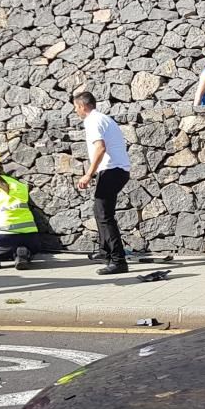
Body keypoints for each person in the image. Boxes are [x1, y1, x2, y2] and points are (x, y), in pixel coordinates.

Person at [73, 92, 132, 275]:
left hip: (111, 170)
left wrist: (88, 175)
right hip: (117, 170)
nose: (76, 111)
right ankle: (104, 251)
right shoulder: (103, 118)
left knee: (105, 215)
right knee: (100, 212)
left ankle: (118, 261)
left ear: (82, 106)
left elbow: (100, 148)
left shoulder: (92, 121)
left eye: (76, 107)